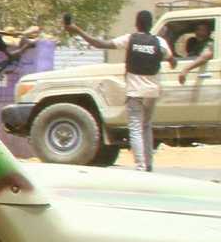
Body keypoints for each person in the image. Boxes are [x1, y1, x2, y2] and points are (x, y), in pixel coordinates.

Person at [66, 10, 174, 172]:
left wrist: (77, 30)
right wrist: (172, 62)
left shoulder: (130, 39)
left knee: (136, 127)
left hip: (134, 92)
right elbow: (172, 60)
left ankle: (140, 165)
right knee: (146, 126)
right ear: (151, 25)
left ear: (136, 24)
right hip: (152, 92)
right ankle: (149, 163)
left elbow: (99, 44)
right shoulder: (159, 42)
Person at [175, 19, 214, 83]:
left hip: (205, 74)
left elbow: (205, 56)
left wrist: (186, 69)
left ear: (208, 32)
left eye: (203, 30)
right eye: (198, 29)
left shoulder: (210, 43)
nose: (199, 32)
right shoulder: (195, 43)